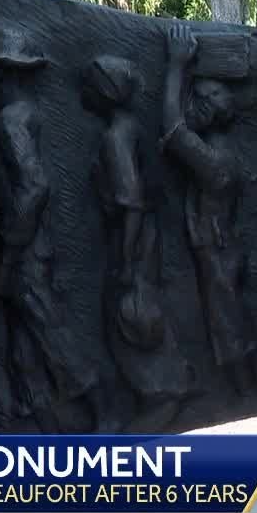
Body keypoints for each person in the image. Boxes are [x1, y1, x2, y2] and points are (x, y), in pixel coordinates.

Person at [0, 21, 109, 432]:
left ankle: (104, 415)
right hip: (24, 250)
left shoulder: (11, 122)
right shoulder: (18, 116)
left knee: (51, 335)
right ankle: (45, 422)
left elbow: (34, 187)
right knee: (26, 343)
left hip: (25, 254)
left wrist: (10, 252)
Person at [81, 54, 193, 430]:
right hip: (141, 248)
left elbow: (130, 202)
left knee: (137, 332)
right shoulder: (132, 130)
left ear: (104, 92)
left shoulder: (116, 138)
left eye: (88, 86)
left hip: (131, 254)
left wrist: (127, 265)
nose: (82, 93)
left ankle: (130, 446)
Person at [161, 25, 257, 398]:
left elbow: (173, 128)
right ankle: (246, 392)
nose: (189, 107)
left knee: (228, 329)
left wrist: (175, 65)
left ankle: (246, 396)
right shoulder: (220, 149)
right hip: (217, 249)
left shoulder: (216, 160)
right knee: (227, 326)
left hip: (218, 253)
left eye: (196, 102)